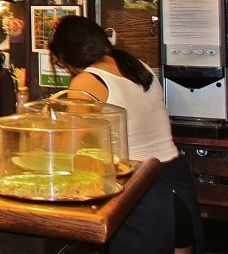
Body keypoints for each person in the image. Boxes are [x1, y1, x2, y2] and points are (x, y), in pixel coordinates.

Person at [48, 15, 205, 254]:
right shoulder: (136, 66)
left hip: (142, 193)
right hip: (177, 184)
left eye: (62, 64)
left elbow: (68, 149)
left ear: (68, 56)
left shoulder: (87, 81)